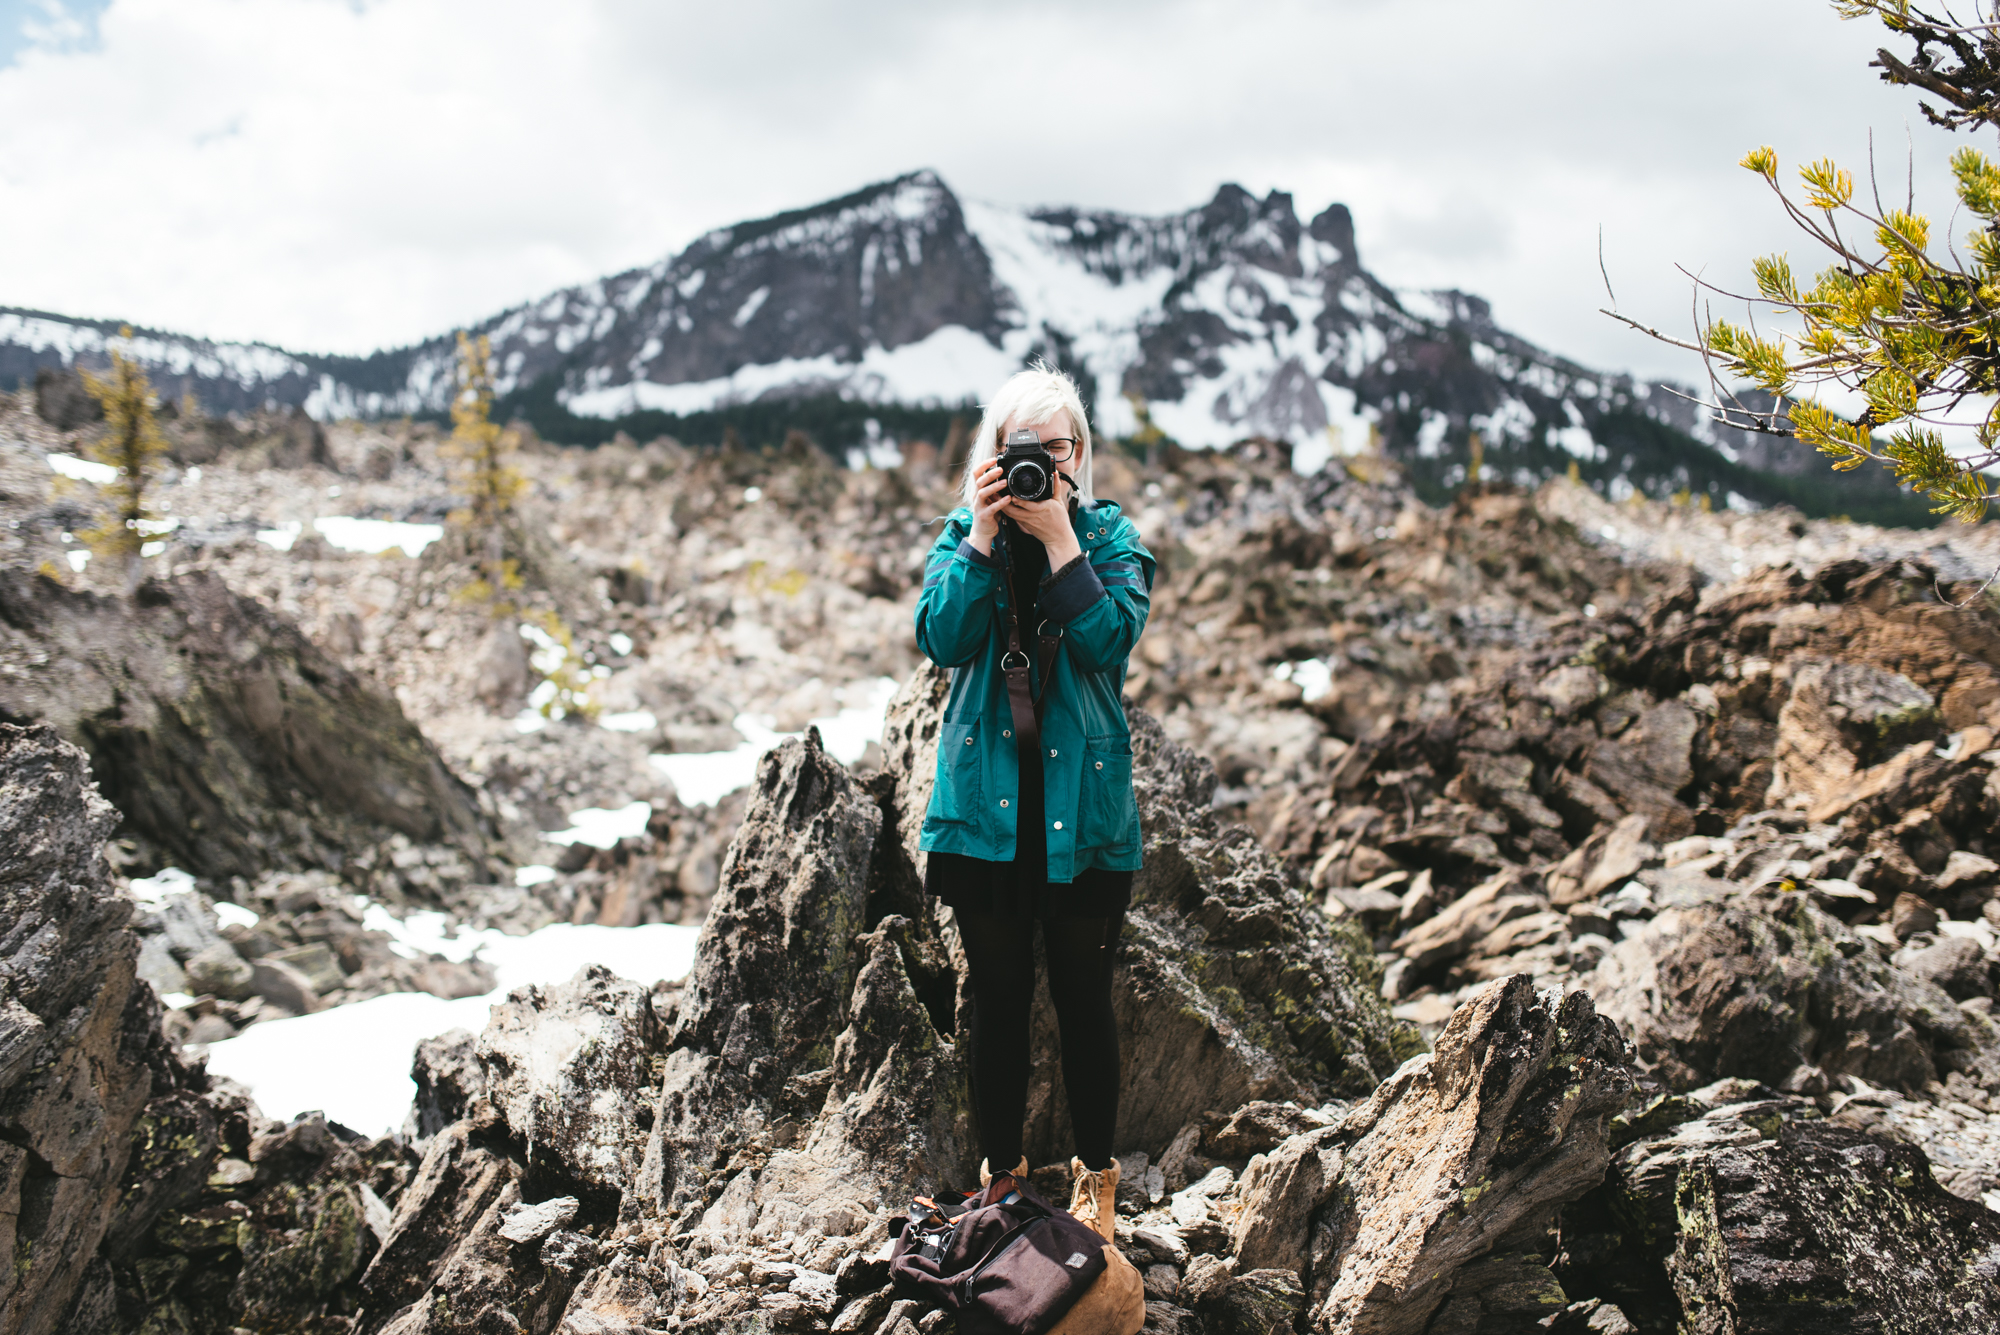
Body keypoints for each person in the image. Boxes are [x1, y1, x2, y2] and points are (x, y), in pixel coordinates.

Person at [913, 363, 1155, 1242]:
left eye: (1055, 448)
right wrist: (981, 535)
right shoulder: (959, 535)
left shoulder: (1111, 539)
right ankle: (1000, 1181)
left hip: (1082, 816)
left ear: (1079, 455)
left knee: (1086, 998)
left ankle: (1097, 1182)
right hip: (986, 815)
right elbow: (942, 636)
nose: (1038, 465)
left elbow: (1109, 639)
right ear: (991, 454)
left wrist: (1061, 542)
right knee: (1000, 1000)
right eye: (1021, 448)